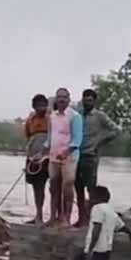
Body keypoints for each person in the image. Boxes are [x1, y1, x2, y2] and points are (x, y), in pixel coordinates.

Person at [63, 186, 131, 260]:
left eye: (91, 198)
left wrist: (90, 249)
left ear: (97, 198)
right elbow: (122, 227)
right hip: (105, 252)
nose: (89, 200)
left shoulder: (97, 208)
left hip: (95, 250)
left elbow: (97, 228)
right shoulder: (111, 211)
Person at [74, 88, 122, 227]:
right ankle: (81, 219)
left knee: (91, 189)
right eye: (85, 99)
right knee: (78, 189)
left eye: (90, 100)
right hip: (77, 156)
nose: (87, 102)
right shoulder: (78, 115)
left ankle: (93, 219)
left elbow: (116, 130)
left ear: (94, 101)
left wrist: (101, 142)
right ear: (82, 100)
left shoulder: (100, 116)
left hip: (91, 156)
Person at [44, 87, 83, 227]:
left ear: (69, 100)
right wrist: (44, 148)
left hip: (70, 157)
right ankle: (53, 217)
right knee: (53, 186)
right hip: (54, 156)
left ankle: (66, 218)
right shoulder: (52, 116)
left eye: (64, 97)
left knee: (67, 185)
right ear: (56, 99)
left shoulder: (75, 116)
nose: (61, 99)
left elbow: (78, 139)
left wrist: (66, 152)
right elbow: (50, 137)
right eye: (59, 97)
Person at [24, 94, 50, 224]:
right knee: (37, 187)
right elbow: (29, 138)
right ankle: (38, 215)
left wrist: (44, 153)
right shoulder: (30, 121)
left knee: (54, 187)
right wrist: (30, 155)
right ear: (34, 107)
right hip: (33, 158)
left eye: (44, 105)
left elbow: (55, 138)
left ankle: (55, 217)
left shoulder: (51, 119)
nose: (42, 108)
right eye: (39, 105)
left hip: (49, 157)